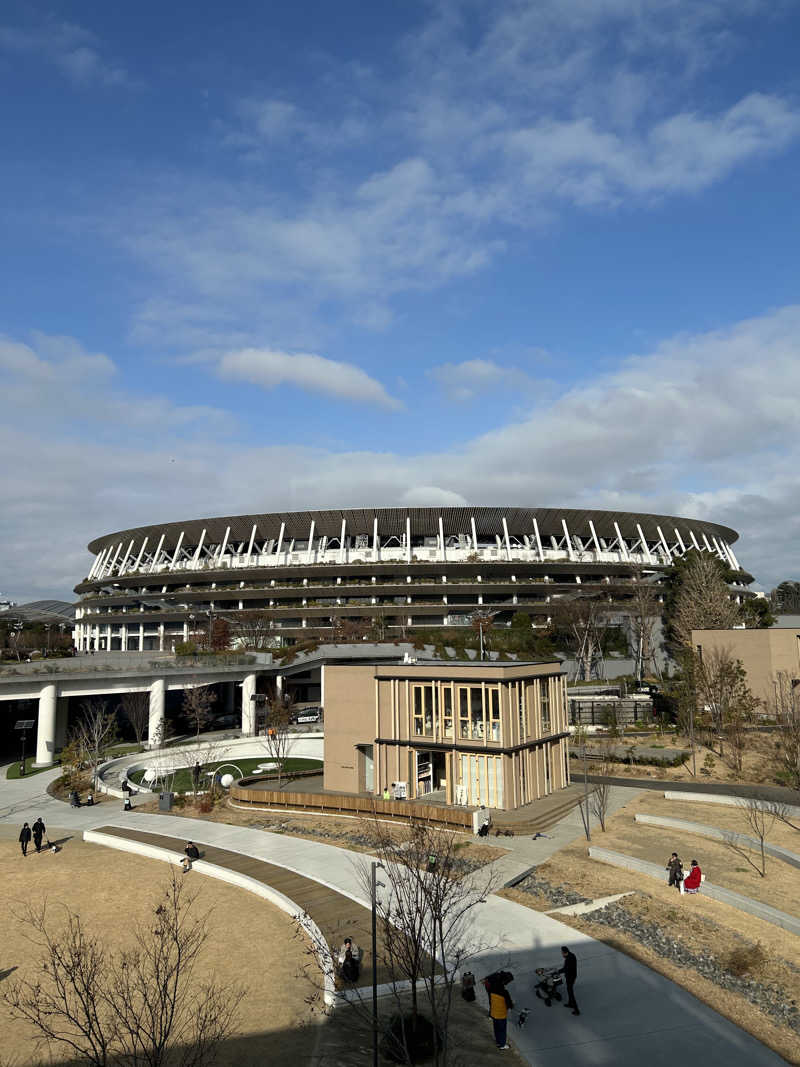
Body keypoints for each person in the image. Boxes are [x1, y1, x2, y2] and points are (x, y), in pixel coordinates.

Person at [483, 973, 513, 1050]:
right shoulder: (504, 992)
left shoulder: (491, 989)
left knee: (496, 1027)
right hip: (501, 1014)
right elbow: (509, 1005)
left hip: (494, 1012)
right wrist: (510, 1006)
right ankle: (502, 1045)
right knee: (502, 1029)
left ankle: (498, 1041)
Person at [559, 946, 580, 1015]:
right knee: (569, 990)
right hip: (572, 976)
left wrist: (558, 971)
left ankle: (576, 1010)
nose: (561, 954)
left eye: (562, 953)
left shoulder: (568, 959)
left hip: (570, 977)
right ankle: (570, 1003)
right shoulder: (571, 955)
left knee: (571, 993)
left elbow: (565, 969)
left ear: (565, 953)